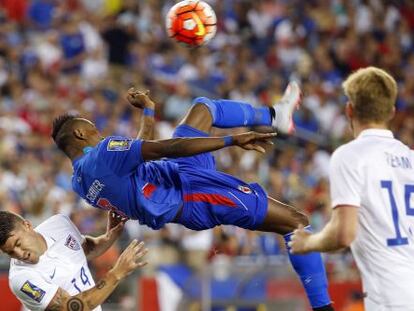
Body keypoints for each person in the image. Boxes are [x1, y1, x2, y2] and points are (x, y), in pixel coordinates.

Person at [51, 83, 334, 310]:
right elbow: (170, 147)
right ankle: (324, 308)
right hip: (192, 196)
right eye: (93, 129)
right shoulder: (103, 153)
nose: (99, 133)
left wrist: (148, 111)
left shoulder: (80, 182)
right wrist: (232, 140)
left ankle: (275, 115)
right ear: (79, 132)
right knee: (296, 222)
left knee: (203, 108)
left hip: (178, 177)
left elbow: (139, 153)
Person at [289, 67, 414, 310]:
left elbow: (343, 233)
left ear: (349, 109)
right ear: (391, 112)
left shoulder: (350, 156)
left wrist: (308, 243)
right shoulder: (411, 158)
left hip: (393, 296)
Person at [0, 210, 148, 311]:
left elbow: (85, 250)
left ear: (27, 225)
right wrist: (116, 273)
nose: (19, 254)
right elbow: (71, 307)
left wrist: (110, 236)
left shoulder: (59, 224)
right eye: (10, 252)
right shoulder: (22, 279)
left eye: (18, 244)